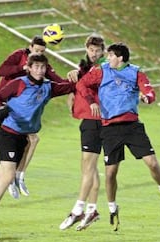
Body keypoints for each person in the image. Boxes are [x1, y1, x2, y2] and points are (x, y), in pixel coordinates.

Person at [0, 53, 75, 238]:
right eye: (36, 67)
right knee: (7, 177)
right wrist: (1, 108)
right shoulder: (19, 83)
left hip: (22, 137)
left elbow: (71, 86)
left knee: (0, 179)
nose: (39, 70)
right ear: (29, 67)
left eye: (42, 67)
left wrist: (80, 72)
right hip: (8, 134)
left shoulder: (48, 87)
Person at [77, 43, 160, 231]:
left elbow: (148, 90)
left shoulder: (136, 72)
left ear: (120, 58)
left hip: (132, 126)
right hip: (109, 129)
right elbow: (82, 84)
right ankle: (113, 209)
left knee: (152, 163)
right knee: (111, 173)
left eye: (111, 56)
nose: (107, 59)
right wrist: (91, 101)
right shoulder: (101, 71)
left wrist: (147, 97)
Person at [0, 35, 69, 199]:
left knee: (28, 141)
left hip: (25, 105)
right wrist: (23, 69)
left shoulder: (41, 65)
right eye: (36, 50)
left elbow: (58, 81)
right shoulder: (20, 56)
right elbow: (1, 71)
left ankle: (15, 176)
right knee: (31, 139)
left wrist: (73, 81)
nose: (39, 53)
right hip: (10, 103)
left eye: (43, 51)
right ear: (30, 47)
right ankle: (15, 176)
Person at [59, 34, 107, 231]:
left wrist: (77, 76)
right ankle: (92, 209)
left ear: (103, 51)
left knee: (88, 167)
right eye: (91, 50)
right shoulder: (86, 67)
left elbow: (88, 83)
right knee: (89, 167)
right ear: (86, 49)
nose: (94, 54)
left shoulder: (103, 68)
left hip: (97, 120)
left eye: (97, 50)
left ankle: (79, 209)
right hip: (88, 120)